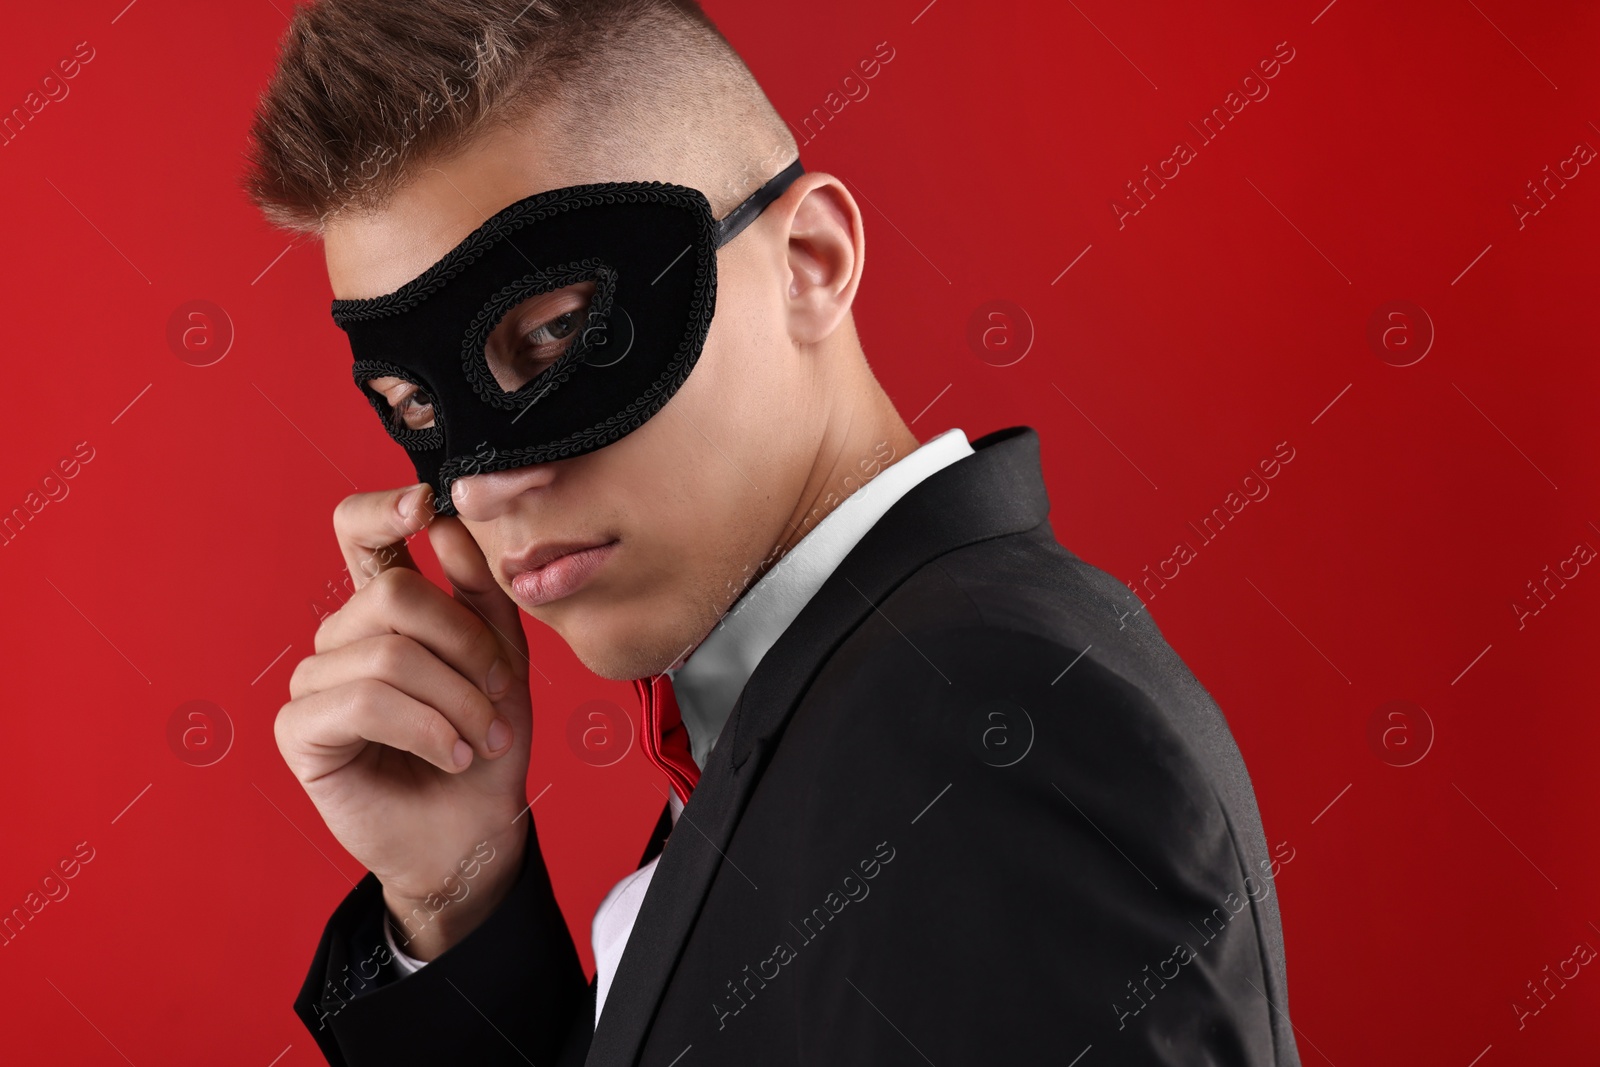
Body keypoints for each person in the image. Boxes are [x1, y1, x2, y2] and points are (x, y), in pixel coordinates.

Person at [245, 1, 1302, 1064]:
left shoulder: (981, 726)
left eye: (563, 332)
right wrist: (452, 893)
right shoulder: (839, 706)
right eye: (420, 407)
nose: (481, 489)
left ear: (811, 257)